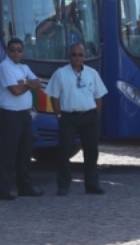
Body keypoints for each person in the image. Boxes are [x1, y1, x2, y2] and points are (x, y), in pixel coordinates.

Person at [46, 43, 108, 196]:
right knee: (64, 152)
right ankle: (63, 185)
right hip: (69, 117)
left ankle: (92, 185)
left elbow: (99, 96)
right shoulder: (60, 74)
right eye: (74, 54)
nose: (77, 58)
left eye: (80, 55)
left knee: (91, 151)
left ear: (84, 57)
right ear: (69, 56)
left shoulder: (92, 73)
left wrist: (96, 114)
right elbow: (54, 97)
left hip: (89, 116)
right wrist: (59, 116)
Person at [0, 38, 44, 200]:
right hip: (10, 114)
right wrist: (28, 84)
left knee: (24, 153)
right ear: (8, 51)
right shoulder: (4, 68)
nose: (16, 53)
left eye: (19, 50)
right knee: (9, 154)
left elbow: (38, 83)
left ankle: (25, 187)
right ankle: (3, 190)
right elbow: (15, 90)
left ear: (23, 52)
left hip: (24, 114)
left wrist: (26, 82)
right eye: (13, 50)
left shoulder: (24, 67)